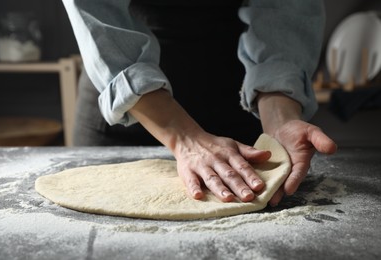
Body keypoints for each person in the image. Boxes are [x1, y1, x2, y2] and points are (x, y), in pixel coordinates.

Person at [62, 0, 337, 206]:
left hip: (241, 96)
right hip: (125, 93)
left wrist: (279, 119)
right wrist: (183, 138)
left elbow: (283, 9)